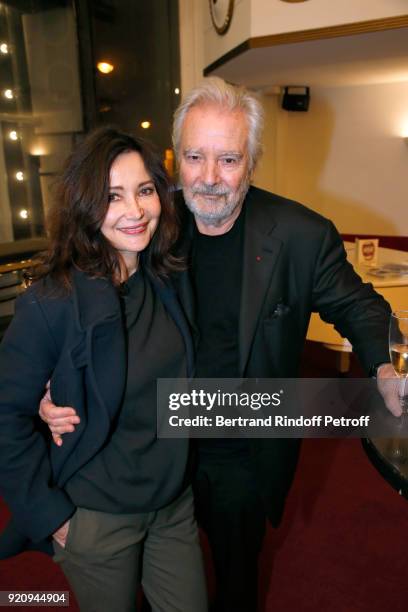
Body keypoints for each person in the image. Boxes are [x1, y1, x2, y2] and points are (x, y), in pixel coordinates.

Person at [40, 79, 401, 612]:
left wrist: (384, 367)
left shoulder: (301, 235)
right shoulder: (145, 223)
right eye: (194, 157)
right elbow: (85, 301)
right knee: (137, 580)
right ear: (174, 159)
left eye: (228, 159)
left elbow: (361, 307)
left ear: (252, 162)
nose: (209, 179)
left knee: (236, 578)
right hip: (150, 440)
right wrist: (56, 377)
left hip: (242, 450)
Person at [0, 127, 208, 612]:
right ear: (84, 207)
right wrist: (55, 519)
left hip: (172, 505)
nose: (135, 212)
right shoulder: (51, 303)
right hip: (96, 517)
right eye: (112, 197)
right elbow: (5, 417)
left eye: (145, 191)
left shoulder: (168, 278)